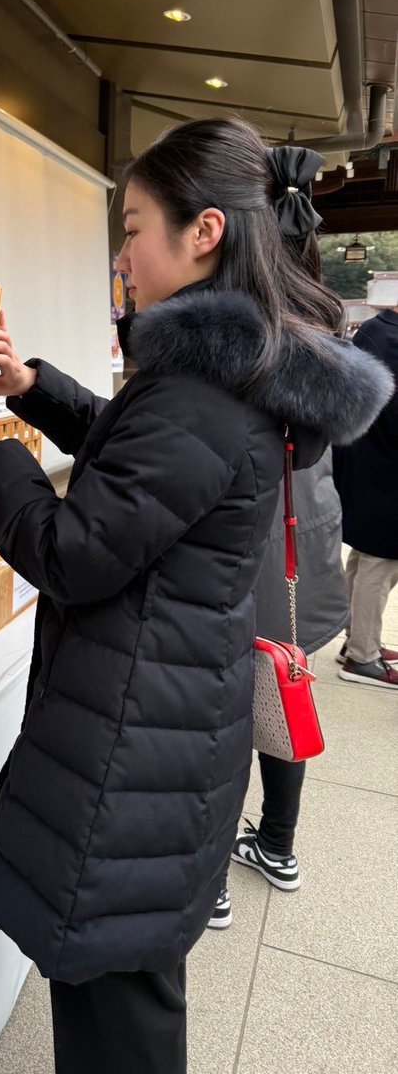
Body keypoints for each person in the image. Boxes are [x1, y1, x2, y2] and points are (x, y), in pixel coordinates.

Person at [0, 117, 394, 1074]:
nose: (122, 252)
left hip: (134, 746)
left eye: (135, 226)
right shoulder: (224, 372)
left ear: (205, 231)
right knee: (127, 996)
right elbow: (132, 449)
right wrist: (29, 387)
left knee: (116, 1014)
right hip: (167, 718)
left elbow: (76, 550)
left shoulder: (197, 393)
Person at [209, 197, 352, 930]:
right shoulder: (325, 336)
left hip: (259, 542)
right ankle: (278, 845)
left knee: (238, 701)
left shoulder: (246, 342)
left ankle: (215, 884)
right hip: (309, 537)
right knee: (286, 686)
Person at [208, 445, 350, 929]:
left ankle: (213, 884)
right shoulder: (325, 378)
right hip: (303, 551)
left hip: (246, 561)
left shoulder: (235, 375)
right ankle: (276, 846)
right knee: (282, 702)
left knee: (224, 724)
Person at [332, 300, 398, 690]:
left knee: (364, 557)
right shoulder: (392, 341)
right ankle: (363, 659)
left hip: (364, 462)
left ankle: (356, 639)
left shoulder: (375, 331)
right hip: (386, 469)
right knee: (383, 563)